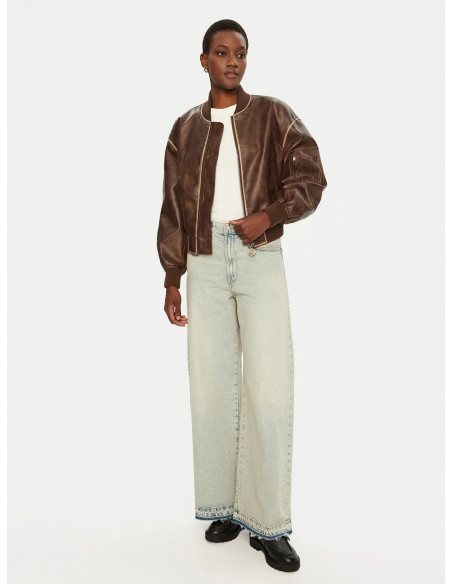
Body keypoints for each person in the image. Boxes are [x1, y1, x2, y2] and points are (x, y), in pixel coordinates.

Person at [156, 18, 327, 573]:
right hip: (203, 261)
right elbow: (173, 206)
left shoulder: (273, 115)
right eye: (222, 52)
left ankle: (269, 522)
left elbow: (311, 178)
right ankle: (226, 507)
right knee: (212, 386)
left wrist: (269, 215)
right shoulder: (184, 129)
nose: (233, 61)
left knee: (268, 387)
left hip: (257, 254)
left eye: (241, 53)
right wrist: (172, 277)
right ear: (203, 60)